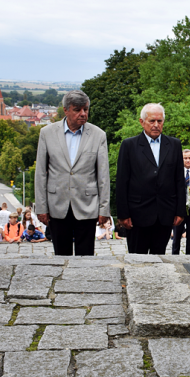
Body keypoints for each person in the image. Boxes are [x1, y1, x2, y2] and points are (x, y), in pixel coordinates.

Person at [35, 90, 110, 256]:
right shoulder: (47, 133)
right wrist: (41, 206)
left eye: (86, 109)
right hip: (57, 204)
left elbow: (103, 176)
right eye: (77, 110)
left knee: (85, 257)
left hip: (87, 204)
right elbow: (41, 172)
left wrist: (104, 209)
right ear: (66, 110)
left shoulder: (98, 135)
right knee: (61, 256)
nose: (83, 114)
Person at [116, 103, 185, 254]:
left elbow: (179, 180)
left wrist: (180, 211)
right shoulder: (129, 145)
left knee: (160, 259)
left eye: (159, 121)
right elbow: (122, 181)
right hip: (137, 215)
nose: (156, 125)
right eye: (152, 121)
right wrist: (123, 214)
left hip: (165, 214)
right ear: (142, 122)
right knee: (137, 259)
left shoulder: (174, 144)